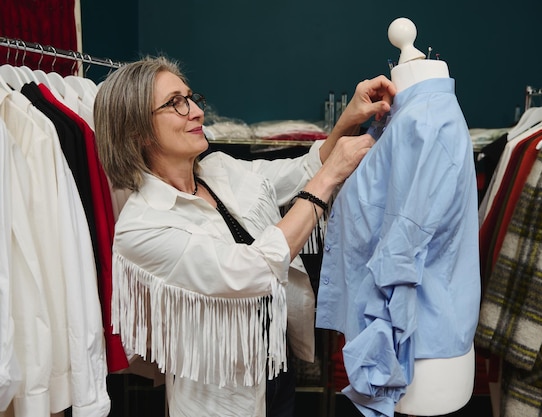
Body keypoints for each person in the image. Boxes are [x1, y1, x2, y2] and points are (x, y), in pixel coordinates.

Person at [92, 55, 396, 417]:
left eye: (190, 98)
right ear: (136, 132)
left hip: (276, 369)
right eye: (175, 103)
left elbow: (301, 171)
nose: (195, 112)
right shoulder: (141, 228)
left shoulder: (219, 169)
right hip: (220, 400)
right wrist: (329, 178)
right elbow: (251, 271)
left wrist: (349, 118)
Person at [315, 17, 480, 417]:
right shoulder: (401, 121)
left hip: (413, 350)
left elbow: (402, 251)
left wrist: (381, 350)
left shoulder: (425, 123)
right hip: (410, 339)